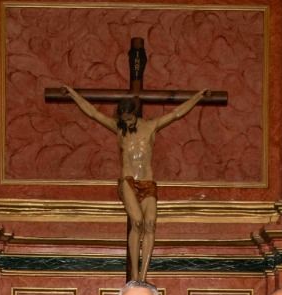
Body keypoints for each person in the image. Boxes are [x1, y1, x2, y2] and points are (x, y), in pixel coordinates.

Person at [61, 88, 210, 280]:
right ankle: (134, 274)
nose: (126, 122)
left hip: (147, 182)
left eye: (129, 119)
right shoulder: (118, 128)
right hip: (128, 181)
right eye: (123, 119)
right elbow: (93, 113)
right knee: (137, 221)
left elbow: (176, 113)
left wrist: (197, 96)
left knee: (149, 224)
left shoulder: (151, 126)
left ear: (135, 114)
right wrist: (73, 94)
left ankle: (143, 277)